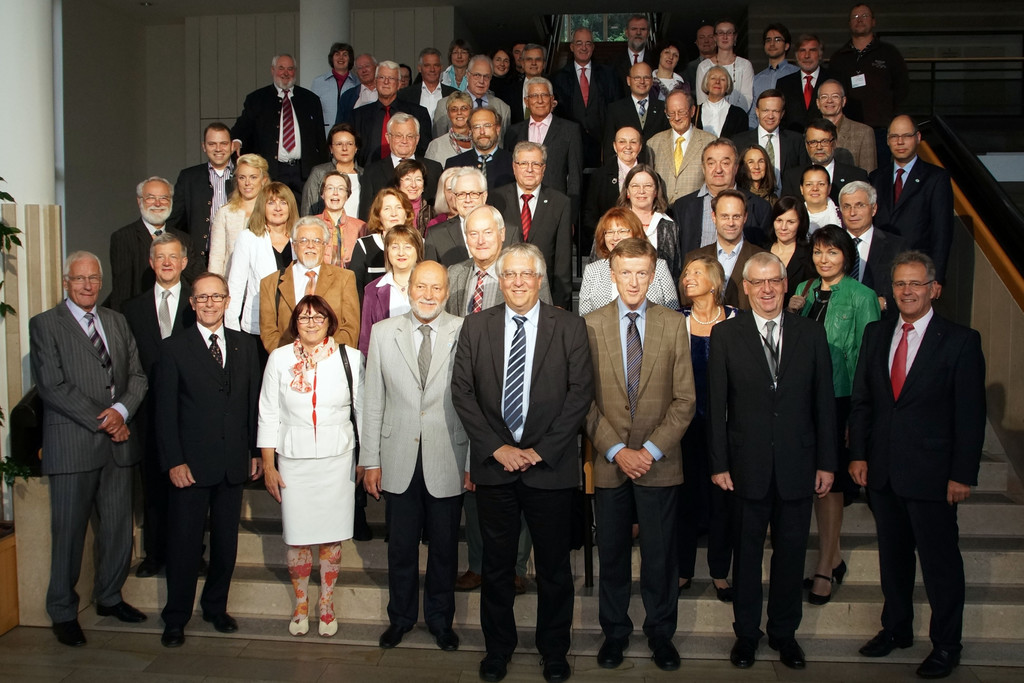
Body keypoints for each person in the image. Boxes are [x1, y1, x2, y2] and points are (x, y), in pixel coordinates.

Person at [451, 242, 594, 683]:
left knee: (553, 569)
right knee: (496, 567)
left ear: (539, 278)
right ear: (499, 279)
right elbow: (462, 393)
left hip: (550, 468)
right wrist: (497, 448)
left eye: (525, 274)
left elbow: (580, 394)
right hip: (496, 467)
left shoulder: (569, 326)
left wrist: (541, 450)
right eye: (509, 274)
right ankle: (498, 649)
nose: (517, 282)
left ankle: (554, 651)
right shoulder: (476, 326)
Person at [849, 250, 986, 680]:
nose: (907, 291)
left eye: (916, 283)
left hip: (934, 475)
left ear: (934, 289)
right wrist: (859, 454)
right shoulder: (876, 333)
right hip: (883, 470)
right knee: (893, 559)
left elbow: (970, 414)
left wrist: (962, 474)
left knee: (940, 564)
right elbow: (864, 401)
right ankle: (897, 628)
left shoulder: (961, 341)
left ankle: (946, 645)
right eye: (900, 284)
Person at [708, 252, 837, 671]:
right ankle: (747, 635)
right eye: (758, 282)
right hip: (746, 466)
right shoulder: (725, 335)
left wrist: (827, 462)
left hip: (798, 465)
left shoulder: (811, 334)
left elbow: (824, 403)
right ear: (745, 289)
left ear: (785, 285)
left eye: (774, 281)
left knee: (791, 554)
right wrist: (719, 463)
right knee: (746, 556)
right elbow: (717, 405)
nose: (767, 289)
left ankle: (784, 634)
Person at [585, 238, 695, 673]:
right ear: (612, 275)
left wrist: (647, 451)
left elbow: (685, 400)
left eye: (642, 273)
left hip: (659, 462)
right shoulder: (590, 324)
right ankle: (614, 633)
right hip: (610, 462)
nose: (633, 281)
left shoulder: (673, 323)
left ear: (653, 276)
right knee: (611, 554)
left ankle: (661, 634)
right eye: (626, 272)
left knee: (660, 557)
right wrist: (616, 450)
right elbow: (583, 400)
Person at [30, 252, 148, 648]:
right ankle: (63, 611)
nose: (87, 285)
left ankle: (110, 597)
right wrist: (107, 419)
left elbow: (137, 376)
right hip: (74, 445)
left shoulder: (116, 321)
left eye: (93, 278)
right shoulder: (45, 324)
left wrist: (122, 411)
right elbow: (53, 386)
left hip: (118, 446)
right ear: (66, 281)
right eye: (79, 278)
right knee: (68, 534)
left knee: (117, 530)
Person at [362, 261, 468, 652]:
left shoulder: (465, 331)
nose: (428, 294)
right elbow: (373, 400)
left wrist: (471, 462)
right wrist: (370, 460)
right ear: (409, 290)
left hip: (448, 456)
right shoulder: (382, 332)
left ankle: (441, 621)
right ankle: (401, 618)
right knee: (401, 548)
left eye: (436, 288)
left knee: (444, 549)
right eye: (421, 286)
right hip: (397, 457)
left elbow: (474, 402)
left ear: (447, 293)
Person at [156, 272, 262, 648]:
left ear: (228, 301)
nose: (210, 304)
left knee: (225, 544)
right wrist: (174, 461)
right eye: (202, 298)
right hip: (191, 466)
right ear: (192, 303)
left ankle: (216, 607)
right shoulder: (174, 349)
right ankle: (176, 617)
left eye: (216, 297)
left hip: (233, 463)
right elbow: (164, 413)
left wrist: (254, 451)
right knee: (184, 545)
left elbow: (252, 404)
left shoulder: (245, 345)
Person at [447, 207, 549, 594]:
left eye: (486, 233)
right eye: (472, 234)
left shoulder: (521, 271)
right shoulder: (456, 274)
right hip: (467, 395)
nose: (479, 240)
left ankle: (516, 566)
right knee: (476, 484)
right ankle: (478, 564)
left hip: (515, 394)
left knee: (517, 479)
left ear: (502, 234)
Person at [258, 295, 363, 637]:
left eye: (319, 317)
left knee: (332, 538)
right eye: (304, 318)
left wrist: (367, 459)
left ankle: (327, 603)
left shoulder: (351, 358)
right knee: (298, 538)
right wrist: (269, 464)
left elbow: (362, 411)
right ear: (295, 324)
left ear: (330, 321)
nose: (312, 323)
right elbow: (268, 412)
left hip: (337, 461)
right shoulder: (279, 359)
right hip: (294, 461)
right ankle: (301, 603)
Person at [787, 225, 880, 606]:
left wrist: (857, 417)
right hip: (801, 400)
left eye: (832, 252)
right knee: (811, 482)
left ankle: (825, 566)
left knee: (831, 484)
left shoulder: (862, 296)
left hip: (840, 400)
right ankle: (835, 556)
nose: (824, 259)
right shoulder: (804, 290)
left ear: (847, 256)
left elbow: (867, 360)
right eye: (818, 252)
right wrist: (790, 311)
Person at [123, 234, 197, 579]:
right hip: (149, 408)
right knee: (154, 482)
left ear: (184, 262)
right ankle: (155, 554)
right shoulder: (132, 309)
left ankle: (193, 553)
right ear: (151, 263)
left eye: (173, 257)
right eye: (160, 257)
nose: (167, 263)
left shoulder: (199, 302)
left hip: (191, 407)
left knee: (192, 487)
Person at [676, 255, 738, 600]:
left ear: (714, 282)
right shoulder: (676, 320)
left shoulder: (737, 320)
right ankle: (682, 570)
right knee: (684, 499)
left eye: (696, 273)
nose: (688, 278)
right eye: (686, 273)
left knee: (722, 501)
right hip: (684, 426)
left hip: (727, 426)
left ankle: (719, 572)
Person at [870, 115, 954, 284]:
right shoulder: (876, 177)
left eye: (906, 136)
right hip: (879, 269)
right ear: (887, 140)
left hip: (918, 271)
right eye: (894, 136)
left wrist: (937, 278)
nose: (900, 142)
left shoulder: (936, 178)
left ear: (918, 137)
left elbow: (942, 232)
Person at [230, 54, 328, 197]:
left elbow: (320, 138)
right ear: (273, 70)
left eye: (290, 69)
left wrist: (324, 170)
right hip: (272, 171)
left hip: (304, 172)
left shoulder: (311, 99)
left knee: (305, 210)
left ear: (295, 71)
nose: (286, 73)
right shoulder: (256, 99)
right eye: (281, 68)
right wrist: (237, 140)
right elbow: (243, 126)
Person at [490, 141, 573, 309]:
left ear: (543, 169)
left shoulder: (560, 202)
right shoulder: (496, 199)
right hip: (503, 292)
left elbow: (563, 259)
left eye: (536, 164)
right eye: (523, 164)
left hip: (544, 293)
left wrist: (559, 302)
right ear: (514, 167)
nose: (530, 169)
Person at [258, 215, 360, 352]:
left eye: (317, 241)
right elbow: (269, 332)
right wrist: (293, 357)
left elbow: (350, 329)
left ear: (325, 246)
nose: (310, 246)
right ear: (294, 245)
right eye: (303, 240)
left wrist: (324, 356)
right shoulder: (270, 283)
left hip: (331, 359)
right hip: (289, 360)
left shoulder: (345, 279)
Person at [828, 4, 909, 165]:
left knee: (879, 174)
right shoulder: (839, 57)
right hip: (847, 130)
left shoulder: (889, 53)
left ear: (873, 21)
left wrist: (891, 117)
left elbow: (902, 88)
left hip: (880, 130)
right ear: (849, 23)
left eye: (864, 16)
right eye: (855, 17)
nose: (859, 20)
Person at [225, 182, 298, 360]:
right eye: (271, 202)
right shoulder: (248, 238)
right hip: (259, 325)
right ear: (262, 207)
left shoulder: (299, 238)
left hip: (295, 325)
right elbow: (236, 284)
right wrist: (232, 329)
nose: (278, 208)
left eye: (283, 202)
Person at [109, 176, 201, 312]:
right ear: (139, 201)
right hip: (141, 314)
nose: (158, 204)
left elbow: (196, 280)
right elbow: (122, 289)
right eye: (151, 198)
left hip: (180, 314)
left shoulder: (184, 239)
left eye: (164, 198)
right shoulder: (123, 237)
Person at [672, 138, 772, 255]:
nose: (718, 170)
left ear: (736, 167)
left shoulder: (760, 207)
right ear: (703, 168)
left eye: (725, 163)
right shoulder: (682, 207)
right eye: (711, 163)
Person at [504, 77, 584, 217]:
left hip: (556, 207)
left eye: (544, 95)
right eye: (534, 96)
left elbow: (575, 177)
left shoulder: (570, 130)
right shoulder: (513, 132)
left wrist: (570, 215)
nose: (540, 100)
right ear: (526, 101)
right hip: (521, 207)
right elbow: (509, 173)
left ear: (552, 99)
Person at [579, 208, 678, 316]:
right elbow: (585, 316)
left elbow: (672, 311)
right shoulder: (592, 270)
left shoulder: (659, 266)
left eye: (622, 231)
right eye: (610, 232)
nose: (615, 237)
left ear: (636, 234)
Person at [551, 27, 623, 169]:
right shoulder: (558, 78)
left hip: (603, 145)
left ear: (593, 47)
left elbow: (617, 107)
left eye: (588, 43)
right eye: (579, 43)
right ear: (572, 47)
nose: (584, 48)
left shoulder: (609, 75)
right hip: (571, 145)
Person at [684, 189, 766, 310]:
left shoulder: (762, 258)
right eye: (724, 216)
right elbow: (686, 300)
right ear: (714, 217)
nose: (731, 223)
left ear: (745, 217)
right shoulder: (694, 258)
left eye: (736, 216)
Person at [167, 122, 235, 267]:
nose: (218, 149)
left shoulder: (245, 176)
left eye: (223, 143)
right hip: (199, 260)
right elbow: (175, 221)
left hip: (236, 258)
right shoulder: (188, 177)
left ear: (232, 146)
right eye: (212, 144)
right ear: (204, 146)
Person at [358, 113, 443, 220]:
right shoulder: (372, 172)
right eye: (398, 136)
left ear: (417, 139)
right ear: (388, 138)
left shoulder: (434, 169)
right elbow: (366, 215)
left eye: (410, 136)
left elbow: (442, 211)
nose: (404, 141)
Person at [839, 181, 906, 314]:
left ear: (874, 209)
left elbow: (907, 287)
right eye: (847, 206)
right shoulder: (832, 243)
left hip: (880, 319)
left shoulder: (896, 246)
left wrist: (885, 302)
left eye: (860, 205)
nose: (852, 213)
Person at [358, 224, 423, 355]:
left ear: (418, 250)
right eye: (395, 247)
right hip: (386, 360)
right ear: (387, 251)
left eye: (407, 246)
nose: (401, 253)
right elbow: (366, 340)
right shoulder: (372, 290)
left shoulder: (430, 286)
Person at [351, 61, 432, 166]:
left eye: (391, 78)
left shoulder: (418, 113)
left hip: (407, 171)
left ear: (399, 84)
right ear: (375, 82)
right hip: (368, 172)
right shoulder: (358, 115)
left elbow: (424, 150)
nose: (386, 82)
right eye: (382, 77)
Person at [582, 126, 644, 256]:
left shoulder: (650, 176)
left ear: (640, 147)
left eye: (633, 142)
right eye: (622, 142)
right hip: (609, 247)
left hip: (642, 246)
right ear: (615, 146)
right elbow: (590, 215)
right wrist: (606, 237)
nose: (628, 147)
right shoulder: (600, 176)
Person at [647, 90, 717, 203]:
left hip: (695, 208)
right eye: (671, 113)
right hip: (662, 209)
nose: (677, 118)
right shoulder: (654, 143)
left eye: (681, 112)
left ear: (692, 111)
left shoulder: (710, 142)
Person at [618, 164, 685, 282]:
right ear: (627, 191)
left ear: (656, 191)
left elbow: (675, 271)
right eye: (635, 186)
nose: (641, 191)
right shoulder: (614, 222)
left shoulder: (669, 225)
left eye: (648, 186)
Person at [209, 153, 270, 275]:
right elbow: (216, 257)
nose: (247, 183)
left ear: (263, 180)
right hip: (231, 279)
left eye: (253, 177)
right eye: (242, 177)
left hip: (266, 279)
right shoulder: (225, 212)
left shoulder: (272, 210)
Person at [731, 90, 804, 192]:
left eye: (775, 111)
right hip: (750, 199)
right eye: (766, 110)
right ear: (757, 112)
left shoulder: (796, 141)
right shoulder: (739, 141)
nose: (770, 116)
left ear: (782, 114)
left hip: (786, 199)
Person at [782, 118, 868, 200]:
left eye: (824, 141)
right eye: (813, 142)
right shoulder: (792, 177)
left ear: (834, 143)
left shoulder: (856, 176)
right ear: (806, 145)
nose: (819, 147)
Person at [350, 187, 415, 296]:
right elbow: (355, 290)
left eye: (399, 207)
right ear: (378, 215)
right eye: (387, 209)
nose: (394, 213)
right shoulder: (364, 246)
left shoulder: (420, 244)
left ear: (406, 213)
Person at [432, 55, 512, 138]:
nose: (481, 81)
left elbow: (504, 143)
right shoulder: (445, 105)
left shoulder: (503, 109)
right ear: (467, 75)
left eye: (486, 76)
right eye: (477, 75)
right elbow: (438, 142)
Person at [603, 62, 668, 162]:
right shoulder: (615, 109)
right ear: (628, 81)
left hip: (656, 166)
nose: (642, 81)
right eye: (637, 78)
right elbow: (609, 147)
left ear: (652, 81)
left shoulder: (662, 107)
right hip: (627, 167)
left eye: (646, 78)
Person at [425, 168, 487, 267]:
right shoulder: (436, 235)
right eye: (461, 194)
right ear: (454, 198)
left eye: (474, 194)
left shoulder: (508, 231)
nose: (468, 200)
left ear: (484, 196)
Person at [300, 123, 362, 217]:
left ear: (356, 147)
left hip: (360, 225)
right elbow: (307, 209)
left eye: (349, 144)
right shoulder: (319, 173)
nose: (344, 148)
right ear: (331, 148)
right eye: (339, 144)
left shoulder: (365, 174)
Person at [444, 106, 514, 189]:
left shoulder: (513, 162)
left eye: (487, 126)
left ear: (497, 129)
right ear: (470, 131)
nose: (482, 132)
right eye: (476, 127)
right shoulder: (454, 164)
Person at [695, 19, 755, 114]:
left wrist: (732, 117)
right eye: (720, 33)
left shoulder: (745, 65)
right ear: (715, 37)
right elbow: (701, 100)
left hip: (737, 118)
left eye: (729, 33)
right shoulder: (704, 66)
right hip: (709, 117)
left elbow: (747, 98)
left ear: (735, 37)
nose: (725, 37)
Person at [817, 79, 877, 173]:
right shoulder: (810, 132)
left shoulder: (864, 132)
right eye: (824, 97)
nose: (829, 101)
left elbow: (868, 174)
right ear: (818, 103)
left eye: (835, 96)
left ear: (843, 101)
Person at [776, 35, 831, 133]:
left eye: (812, 50)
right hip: (793, 140)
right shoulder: (784, 84)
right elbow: (780, 119)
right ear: (797, 55)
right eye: (802, 51)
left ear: (820, 54)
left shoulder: (832, 80)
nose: (807, 56)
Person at [767, 196, 814, 304]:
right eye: (779, 220)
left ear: (800, 224)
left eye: (790, 222)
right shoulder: (760, 251)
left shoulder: (809, 256)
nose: (783, 227)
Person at [751, 24, 799, 128]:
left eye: (777, 40)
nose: (772, 44)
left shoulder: (797, 74)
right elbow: (753, 114)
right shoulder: (757, 79)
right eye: (768, 40)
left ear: (786, 46)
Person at [316, 171, 366, 268]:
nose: (335, 193)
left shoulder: (361, 227)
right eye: (330, 188)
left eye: (341, 189)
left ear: (347, 195)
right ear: (322, 194)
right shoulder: (310, 225)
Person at [396, 47, 457, 124]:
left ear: (441, 68)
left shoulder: (454, 94)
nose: (432, 69)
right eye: (427, 65)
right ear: (419, 68)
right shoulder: (405, 95)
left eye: (436, 65)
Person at [310, 42, 358, 135]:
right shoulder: (319, 82)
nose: (341, 58)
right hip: (324, 134)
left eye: (345, 55)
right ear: (332, 58)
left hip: (350, 135)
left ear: (350, 59)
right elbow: (312, 111)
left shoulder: (357, 83)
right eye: (337, 54)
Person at [694, 65, 748, 138]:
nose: (717, 82)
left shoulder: (739, 115)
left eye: (722, 79)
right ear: (706, 83)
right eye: (713, 78)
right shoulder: (693, 112)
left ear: (728, 85)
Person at [425, 92, 475, 166]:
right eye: (454, 109)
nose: (459, 112)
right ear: (448, 114)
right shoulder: (436, 145)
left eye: (464, 108)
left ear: (471, 111)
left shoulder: (479, 141)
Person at [392, 159, 437, 235]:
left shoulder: (433, 212)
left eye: (418, 179)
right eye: (408, 179)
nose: (413, 185)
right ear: (397, 185)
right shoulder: (390, 211)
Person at [609, 14, 657, 81]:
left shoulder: (656, 60)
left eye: (643, 29)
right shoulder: (613, 61)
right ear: (626, 32)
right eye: (634, 29)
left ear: (648, 33)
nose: (638, 33)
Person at [336, 53, 379, 124]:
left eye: (367, 66)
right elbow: (339, 126)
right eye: (360, 68)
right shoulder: (347, 97)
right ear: (356, 72)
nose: (364, 70)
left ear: (376, 67)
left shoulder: (388, 92)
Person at [800, 165, 842, 233]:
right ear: (801, 189)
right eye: (809, 184)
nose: (815, 188)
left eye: (821, 184)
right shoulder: (793, 217)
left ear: (829, 188)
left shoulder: (842, 216)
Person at [683, 23, 717, 93]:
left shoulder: (726, 64)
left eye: (710, 37)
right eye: (702, 37)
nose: (706, 41)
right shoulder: (688, 68)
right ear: (696, 42)